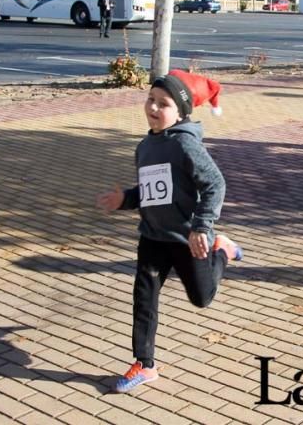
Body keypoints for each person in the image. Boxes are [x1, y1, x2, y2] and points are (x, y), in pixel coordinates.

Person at [95, 74, 240, 394]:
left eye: (164, 103)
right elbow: (150, 192)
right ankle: (144, 364)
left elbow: (215, 185)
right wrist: (126, 200)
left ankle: (223, 250)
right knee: (144, 299)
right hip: (152, 237)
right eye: (150, 99)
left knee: (202, 298)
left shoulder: (185, 144)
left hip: (187, 238)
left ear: (181, 112)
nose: (154, 107)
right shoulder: (145, 146)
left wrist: (202, 227)